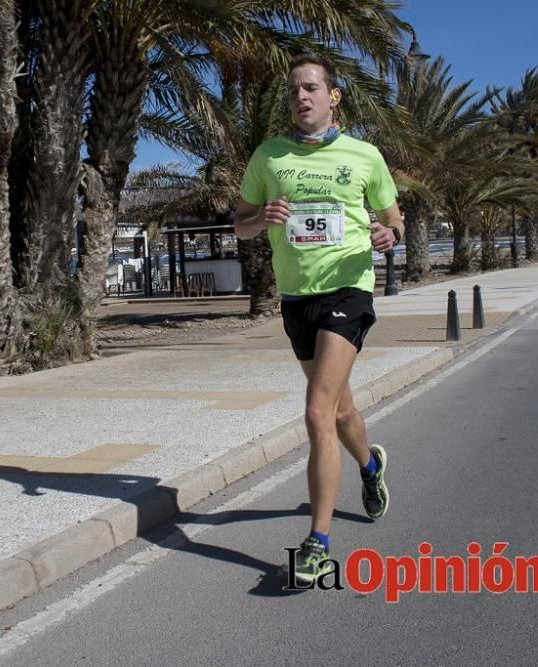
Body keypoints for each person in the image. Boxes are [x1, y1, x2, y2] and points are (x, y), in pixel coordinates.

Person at [234, 53, 403, 584]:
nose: (300, 97)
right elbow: (239, 226)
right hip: (296, 299)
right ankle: (370, 466)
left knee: (315, 412)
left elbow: (394, 218)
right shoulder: (269, 156)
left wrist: (388, 234)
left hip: (348, 288)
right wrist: (261, 217)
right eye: (292, 91)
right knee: (339, 409)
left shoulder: (364, 155)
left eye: (310, 88)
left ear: (333, 96)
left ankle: (318, 542)